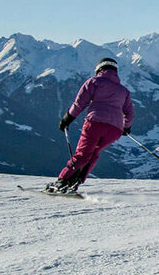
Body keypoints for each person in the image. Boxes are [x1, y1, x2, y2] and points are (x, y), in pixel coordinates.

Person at [48, 57, 135, 193]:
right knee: (94, 152)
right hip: (114, 130)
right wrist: (126, 127)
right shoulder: (124, 91)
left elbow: (79, 103)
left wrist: (67, 118)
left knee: (83, 153)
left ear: (99, 69)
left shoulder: (94, 82)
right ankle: (76, 181)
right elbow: (129, 113)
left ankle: (62, 181)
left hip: (95, 123)